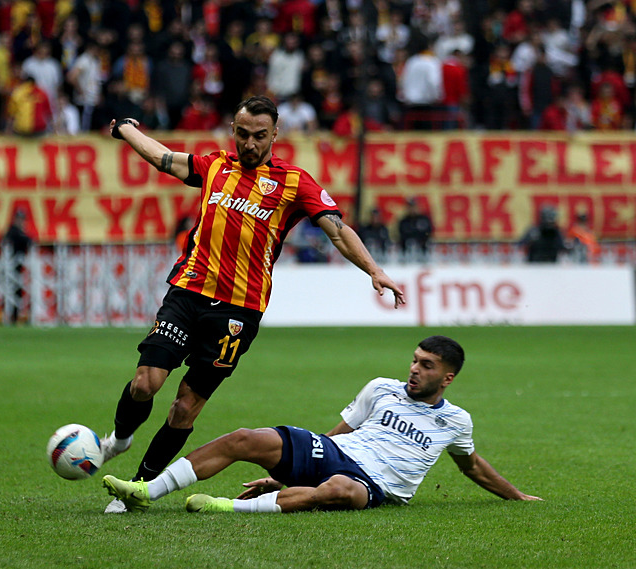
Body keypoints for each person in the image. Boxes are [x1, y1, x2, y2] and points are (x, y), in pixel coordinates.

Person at [101, 96, 405, 513]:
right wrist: (127, 129)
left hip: (237, 313)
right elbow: (164, 158)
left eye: (259, 136)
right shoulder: (214, 167)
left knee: (184, 408)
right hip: (189, 291)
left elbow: (336, 229)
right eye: (242, 134)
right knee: (144, 384)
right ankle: (119, 438)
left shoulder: (294, 182)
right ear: (233, 130)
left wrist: (374, 270)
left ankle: (138, 486)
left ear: (274, 134)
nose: (250, 143)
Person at [102, 336, 542, 514]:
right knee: (243, 438)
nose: (413, 370)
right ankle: (146, 491)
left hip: (375, 484)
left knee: (339, 490)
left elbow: (473, 466)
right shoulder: (382, 388)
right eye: (413, 360)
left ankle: (223, 507)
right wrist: (283, 468)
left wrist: (516, 495)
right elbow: (340, 431)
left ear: (447, 377)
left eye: (426, 366)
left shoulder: (456, 421)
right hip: (339, 453)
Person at [1, 209, 33, 324]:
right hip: (10, 267)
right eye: (19, 219)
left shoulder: (19, 232)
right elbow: (27, 241)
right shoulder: (12, 232)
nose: (21, 221)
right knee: (10, 291)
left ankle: (15, 316)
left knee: (18, 291)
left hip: (18, 267)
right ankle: (9, 316)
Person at [397, 197, 433, 261]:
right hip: (408, 252)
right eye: (410, 207)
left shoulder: (423, 219)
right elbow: (401, 234)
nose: (412, 209)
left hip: (423, 251)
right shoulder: (404, 221)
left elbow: (429, 232)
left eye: (414, 206)